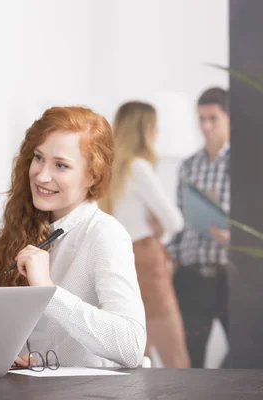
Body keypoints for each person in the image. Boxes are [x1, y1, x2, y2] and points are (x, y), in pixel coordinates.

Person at [0, 106, 146, 369]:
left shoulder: (105, 233)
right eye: (38, 158)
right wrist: (5, 352)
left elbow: (131, 346)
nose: (42, 175)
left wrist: (49, 290)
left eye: (61, 165)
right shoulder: (26, 224)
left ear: (92, 175)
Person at [99, 101, 189, 368]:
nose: (158, 133)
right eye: (154, 127)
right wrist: (158, 227)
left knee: (136, 353)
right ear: (145, 130)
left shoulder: (108, 169)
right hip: (147, 261)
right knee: (175, 354)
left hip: (118, 259)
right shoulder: (138, 167)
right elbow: (176, 221)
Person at [167, 87, 231, 368]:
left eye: (213, 118)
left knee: (247, 353)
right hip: (193, 277)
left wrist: (233, 237)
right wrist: (169, 254)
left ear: (229, 118)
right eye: (201, 119)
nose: (205, 126)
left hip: (231, 276)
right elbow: (180, 222)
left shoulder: (244, 164)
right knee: (191, 359)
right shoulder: (189, 166)